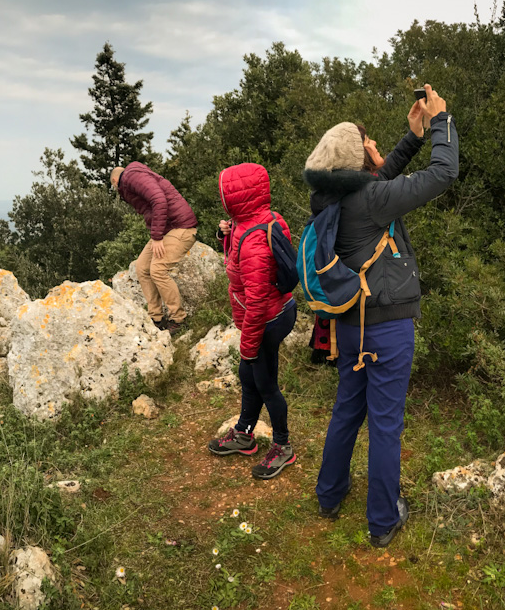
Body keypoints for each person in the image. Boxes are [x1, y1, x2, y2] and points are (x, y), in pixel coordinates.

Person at [306, 85, 457, 548]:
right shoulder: (372, 202)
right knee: (386, 423)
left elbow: (378, 181)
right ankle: (382, 520)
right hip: (388, 328)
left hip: (351, 325)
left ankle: (329, 496)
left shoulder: (330, 202)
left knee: (348, 411)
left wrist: (408, 139)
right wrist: (440, 123)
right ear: (356, 166)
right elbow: (443, 173)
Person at [205, 163, 298, 480]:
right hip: (276, 310)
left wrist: (248, 344)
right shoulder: (260, 220)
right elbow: (238, 264)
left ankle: (283, 447)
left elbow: (257, 299)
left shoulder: (253, 236)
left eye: (225, 193)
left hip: (267, 318)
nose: (222, 199)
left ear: (237, 197)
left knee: (265, 383)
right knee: (249, 374)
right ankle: (244, 434)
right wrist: (225, 236)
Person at [110, 161, 199, 333]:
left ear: (115, 180)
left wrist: (156, 237)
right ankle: (156, 318)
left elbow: (159, 200)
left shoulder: (130, 177)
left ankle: (179, 319)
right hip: (167, 230)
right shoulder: (133, 177)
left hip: (180, 227)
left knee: (157, 269)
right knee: (141, 267)